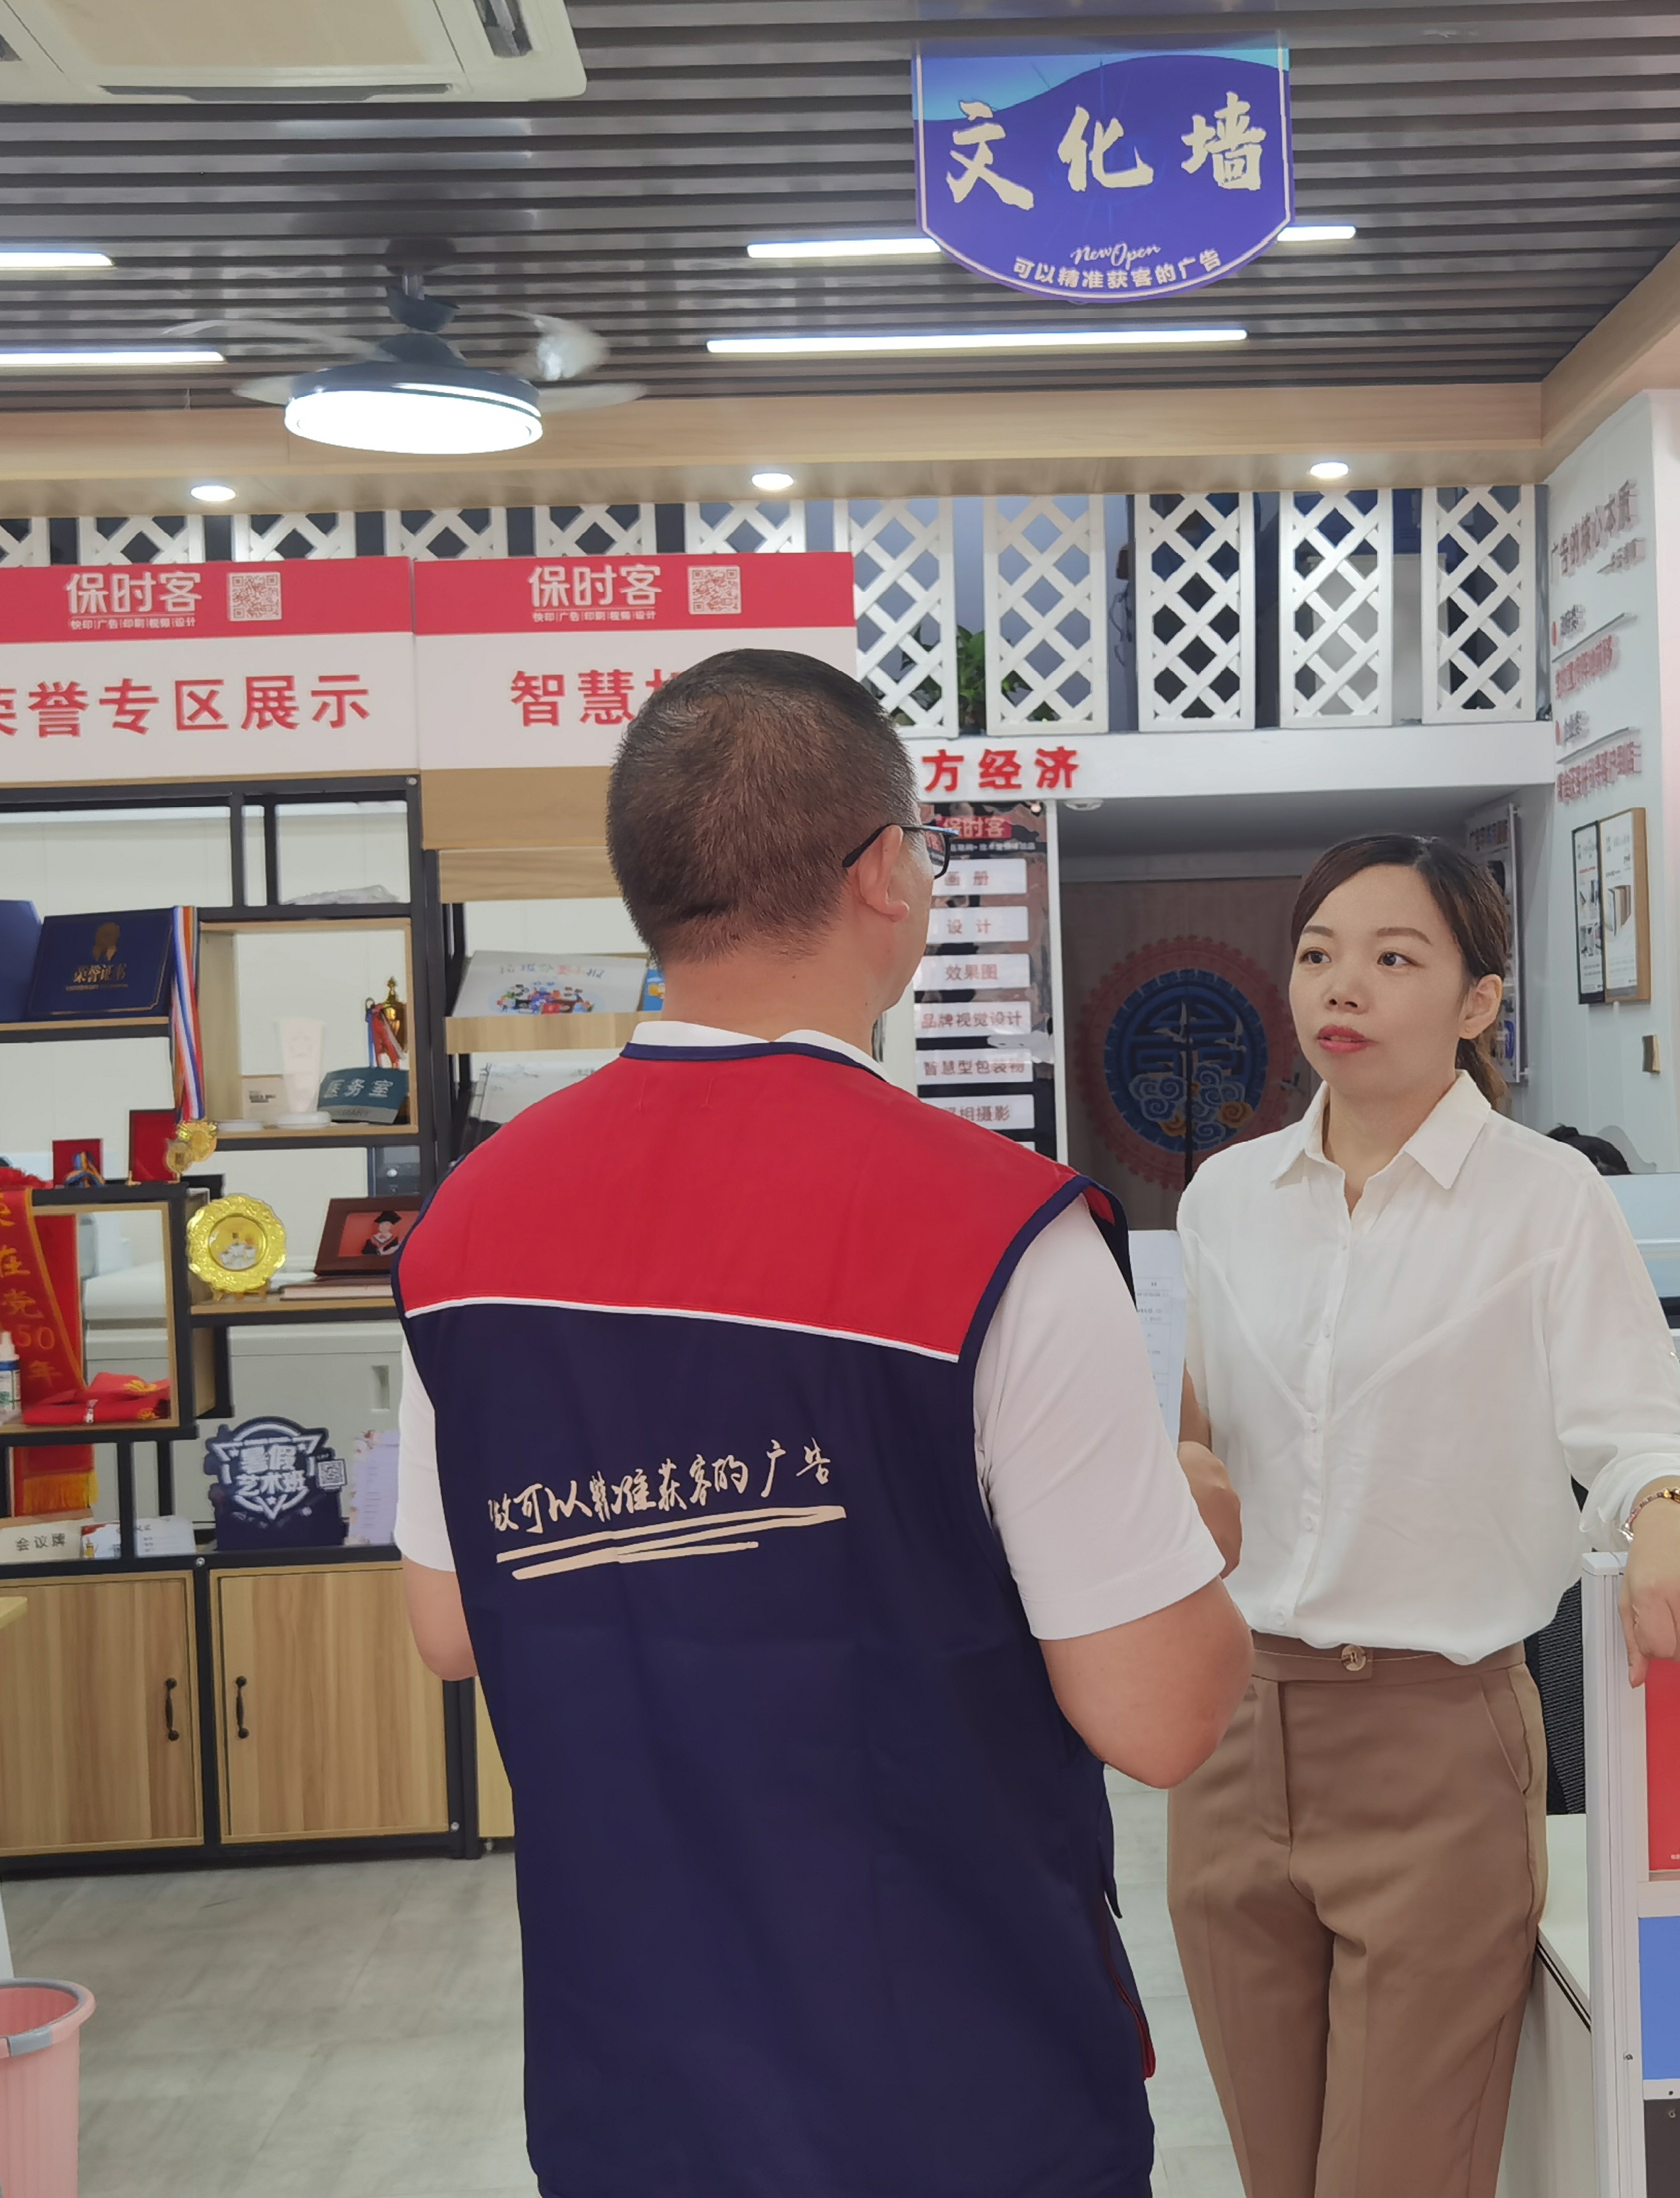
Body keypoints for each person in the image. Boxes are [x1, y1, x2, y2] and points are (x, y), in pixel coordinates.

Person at [393, 646, 1251, 2198]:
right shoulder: (998, 1231)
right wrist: (1189, 1523)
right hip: (956, 2092)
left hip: (626, 2086)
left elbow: (452, 1628)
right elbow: (1161, 1718)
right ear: (882, 875)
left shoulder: (465, 1229)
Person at [1168, 832, 1680, 2198]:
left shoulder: (1546, 1199)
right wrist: (1175, 1474)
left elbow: (1638, 1429)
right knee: (1276, 2175)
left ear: (1478, 1000)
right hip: (1233, 1738)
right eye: (1319, 954)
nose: (1342, 985)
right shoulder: (1225, 1199)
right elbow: (1200, 1433)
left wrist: (1672, 1513)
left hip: (1435, 1744)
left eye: (1394, 957)